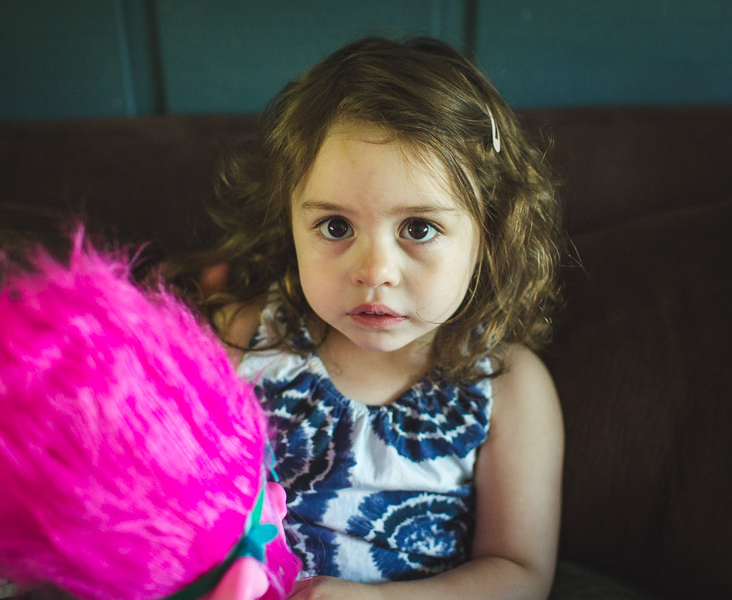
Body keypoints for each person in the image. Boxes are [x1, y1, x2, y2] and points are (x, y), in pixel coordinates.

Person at [165, 36, 564, 599]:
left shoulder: (508, 386)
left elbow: (519, 573)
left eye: (419, 229)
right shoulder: (244, 339)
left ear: (488, 236)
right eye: (335, 227)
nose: (374, 270)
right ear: (291, 223)